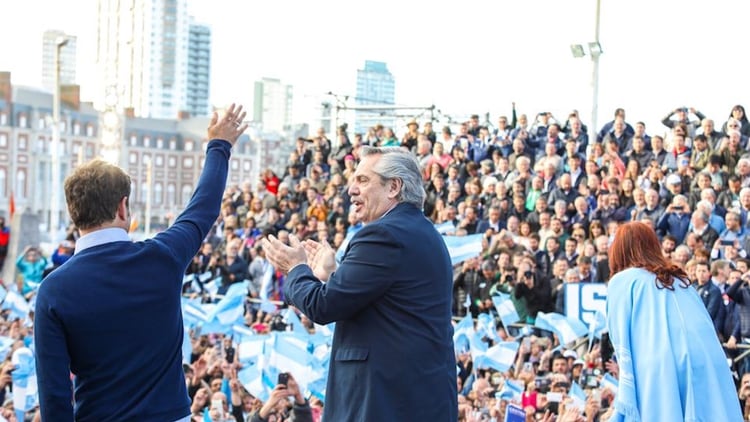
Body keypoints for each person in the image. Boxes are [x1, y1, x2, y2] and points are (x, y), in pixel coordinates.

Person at [34, 104, 248, 420]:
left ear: (74, 212)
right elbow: (202, 209)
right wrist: (220, 145)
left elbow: (54, 398)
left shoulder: (52, 290)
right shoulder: (163, 257)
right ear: (123, 207)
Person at [261, 146, 457, 421]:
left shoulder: (383, 235)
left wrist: (295, 269)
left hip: (384, 404)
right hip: (415, 401)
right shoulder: (423, 232)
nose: (351, 189)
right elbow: (386, 302)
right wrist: (334, 275)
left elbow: (323, 306)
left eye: (363, 180)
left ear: (394, 187)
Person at [607, 221, 742, 421]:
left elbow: (621, 339)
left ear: (619, 251)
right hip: (708, 360)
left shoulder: (623, 281)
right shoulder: (681, 280)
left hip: (660, 364)